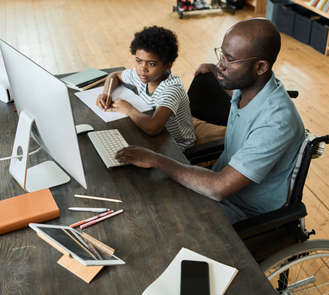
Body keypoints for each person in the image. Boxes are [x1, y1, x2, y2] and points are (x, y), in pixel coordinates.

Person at [115, 18, 305, 224]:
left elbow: (218, 188)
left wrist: (157, 160)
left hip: (242, 209)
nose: (220, 64)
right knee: (146, 201)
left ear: (260, 67)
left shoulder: (276, 123)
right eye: (221, 54)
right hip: (217, 183)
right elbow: (228, 81)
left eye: (229, 59)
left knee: (157, 220)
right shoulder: (248, 86)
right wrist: (215, 72)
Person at [96, 26, 196, 149]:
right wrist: (106, 93)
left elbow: (153, 128)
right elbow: (114, 75)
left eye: (151, 64)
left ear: (168, 66)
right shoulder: (142, 75)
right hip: (153, 133)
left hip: (176, 145)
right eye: (139, 61)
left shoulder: (172, 90)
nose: (142, 68)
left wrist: (128, 109)